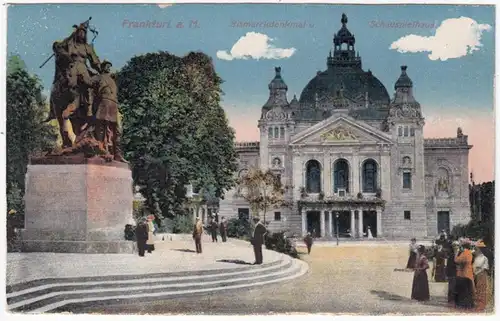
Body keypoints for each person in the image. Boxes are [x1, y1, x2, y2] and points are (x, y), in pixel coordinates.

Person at [454, 238, 475, 310]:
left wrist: (456, 252)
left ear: (463, 246)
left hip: (463, 274)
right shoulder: (470, 252)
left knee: (463, 291)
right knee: (468, 290)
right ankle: (469, 304)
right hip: (468, 273)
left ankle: (464, 305)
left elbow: (456, 260)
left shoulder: (464, 253)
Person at [473, 240, 490, 312]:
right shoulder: (476, 257)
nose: (475, 250)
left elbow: (485, 268)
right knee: (477, 290)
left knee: (481, 290)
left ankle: (482, 306)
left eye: (476, 249)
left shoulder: (484, 258)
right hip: (476, 275)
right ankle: (478, 305)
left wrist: (478, 270)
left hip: (481, 275)